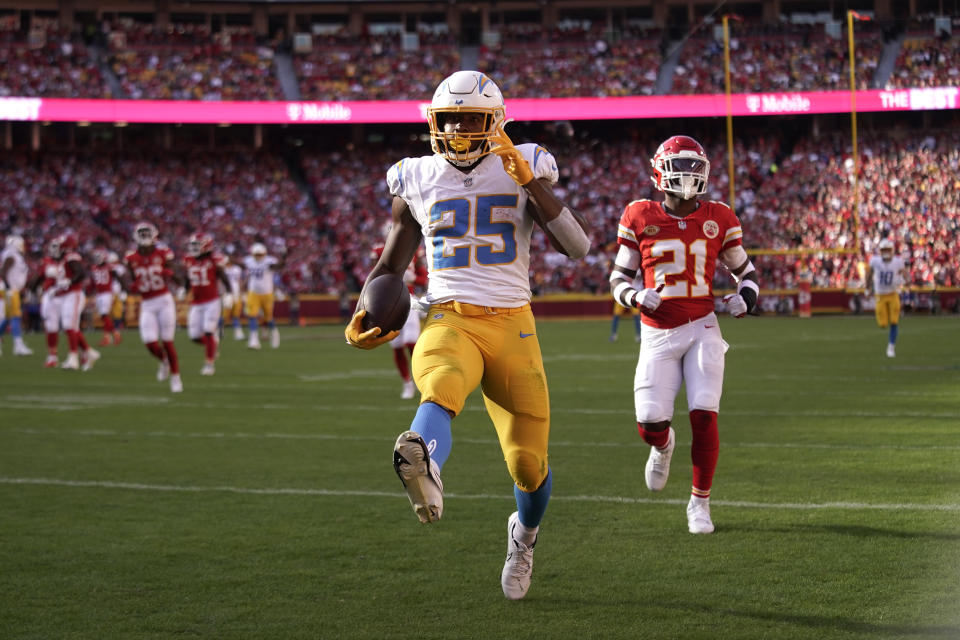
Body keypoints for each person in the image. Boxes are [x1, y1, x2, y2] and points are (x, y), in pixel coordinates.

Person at [344, 71, 591, 600]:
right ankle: (424, 460)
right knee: (442, 382)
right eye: (447, 119)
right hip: (449, 316)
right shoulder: (416, 176)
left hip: (512, 325)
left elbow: (577, 247)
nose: (456, 129)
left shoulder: (524, 162)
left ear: (495, 122)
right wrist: (366, 308)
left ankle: (523, 536)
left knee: (529, 465)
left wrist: (529, 180)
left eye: (469, 119)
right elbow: (391, 262)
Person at [609, 135, 758, 535]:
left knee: (705, 413)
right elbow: (618, 277)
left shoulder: (720, 217)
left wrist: (746, 297)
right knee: (649, 421)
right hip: (657, 333)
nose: (688, 175)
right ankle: (662, 445)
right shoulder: (639, 214)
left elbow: (746, 272)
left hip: (702, 326)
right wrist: (635, 295)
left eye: (695, 167)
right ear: (659, 172)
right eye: (681, 166)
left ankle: (700, 503)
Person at [123, 222, 183, 393]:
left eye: (146, 232)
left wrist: (174, 280)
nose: (144, 236)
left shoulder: (163, 253)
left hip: (164, 300)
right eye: (141, 233)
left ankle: (175, 376)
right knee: (149, 342)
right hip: (147, 303)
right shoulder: (131, 258)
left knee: (167, 340)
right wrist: (131, 286)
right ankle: (164, 361)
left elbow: (175, 275)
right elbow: (132, 281)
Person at [371, 242, 428, 399]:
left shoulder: (414, 250)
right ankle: (407, 383)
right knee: (397, 345)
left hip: (408, 300)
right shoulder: (381, 250)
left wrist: (414, 277)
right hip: (388, 301)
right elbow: (373, 274)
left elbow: (423, 279)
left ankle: (421, 379)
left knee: (411, 342)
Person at [183, 232, 231, 375]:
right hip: (196, 302)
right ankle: (212, 346)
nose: (193, 248)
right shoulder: (189, 259)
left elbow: (223, 276)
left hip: (212, 301)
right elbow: (188, 277)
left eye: (196, 245)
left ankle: (209, 364)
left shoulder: (215, 260)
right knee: (194, 336)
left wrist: (229, 293)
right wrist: (184, 289)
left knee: (209, 331)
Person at [53, 233, 100, 371]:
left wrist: (69, 281)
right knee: (71, 327)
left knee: (70, 326)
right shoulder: (64, 259)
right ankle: (89, 352)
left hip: (74, 294)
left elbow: (80, 273)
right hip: (68, 295)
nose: (58, 248)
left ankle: (73, 358)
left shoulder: (71, 256)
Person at [865, 238, 906, 358]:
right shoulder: (875, 261)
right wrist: (867, 289)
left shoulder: (898, 261)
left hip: (893, 294)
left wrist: (907, 280)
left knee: (894, 321)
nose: (886, 252)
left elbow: (904, 272)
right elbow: (869, 275)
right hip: (880, 296)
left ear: (892, 250)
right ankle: (890, 343)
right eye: (884, 250)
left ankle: (891, 346)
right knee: (882, 324)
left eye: (888, 249)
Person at [243, 242, 284, 349]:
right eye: (256, 254)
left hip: (267, 293)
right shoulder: (249, 261)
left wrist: (284, 257)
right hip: (253, 292)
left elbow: (279, 266)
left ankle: (274, 333)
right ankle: (254, 340)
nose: (258, 256)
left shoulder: (268, 261)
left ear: (265, 254)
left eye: (260, 254)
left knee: (268, 318)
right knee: (252, 315)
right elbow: (241, 265)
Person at [0, 235, 33, 356]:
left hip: (12, 289)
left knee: (8, 317)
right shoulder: (11, 255)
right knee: (15, 316)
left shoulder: (11, 254)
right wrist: (8, 287)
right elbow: (3, 271)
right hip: (10, 290)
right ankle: (18, 345)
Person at [89, 249, 124, 346]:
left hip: (107, 293)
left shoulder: (110, 267)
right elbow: (93, 282)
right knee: (104, 317)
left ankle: (115, 335)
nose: (97, 259)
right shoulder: (94, 268)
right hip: (99, 294)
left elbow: (118, 277)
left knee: (105, 315)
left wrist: (122, 289)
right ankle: (108, 337)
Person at [221, 253, 245, 341]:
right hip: (227, 294)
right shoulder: (222, 270)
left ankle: (238, 333)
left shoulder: (237, 269)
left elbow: (240, 281)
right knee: (224, 315)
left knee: (236, 315)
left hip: (236, 294)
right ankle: (220, 331)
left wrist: (241, 291)